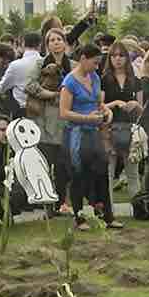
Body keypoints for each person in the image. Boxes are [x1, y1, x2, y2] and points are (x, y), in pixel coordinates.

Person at [60, 45, 115, 228]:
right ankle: (79, 217)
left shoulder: (95, 78)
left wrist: (106, 111)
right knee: (79, 174)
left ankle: (106, 215)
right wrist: (87, 118)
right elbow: (64, 112)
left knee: (101, 169)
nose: (97, 67)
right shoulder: (70, 82)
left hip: (94, 133)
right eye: (95, 62)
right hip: (76, 134)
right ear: (83, 58)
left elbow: (99, 103)